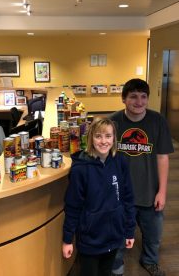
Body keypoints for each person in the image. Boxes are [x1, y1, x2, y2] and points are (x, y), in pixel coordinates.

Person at [110, 78, 174, 276]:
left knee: (153, 233)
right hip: (120, 193)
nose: (139, 101)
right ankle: (116, 265)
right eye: (133, 97)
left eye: (143, 97)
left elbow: (163, 157)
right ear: (123, 99)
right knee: (118, 232)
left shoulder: (158, 121)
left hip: (149, 190)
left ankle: (150, 260)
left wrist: (162, 191)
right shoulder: (113, 122)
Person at [62, 117, 136, 276]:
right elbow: (72, 207)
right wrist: (68, 239)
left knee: (107, 273)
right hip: (90, 240)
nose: (103, 141)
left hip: (114, 237)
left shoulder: (120, 162)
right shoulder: (80, 169)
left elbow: (128, 198)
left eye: (108, 136)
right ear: (90, 138)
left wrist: (130, 230)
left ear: (114, 138)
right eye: (98, 136)